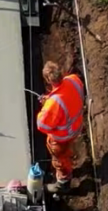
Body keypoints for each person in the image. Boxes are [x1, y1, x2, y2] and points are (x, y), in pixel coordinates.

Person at [35, 61, 86, 194]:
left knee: (60, 159)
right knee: (67, 151)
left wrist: (45, 107)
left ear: (47, 80)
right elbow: (68, 98)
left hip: (62, 137)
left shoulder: (53, 104)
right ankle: (69, 160)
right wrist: (50, 100)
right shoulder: (73, 80)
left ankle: (63, 183)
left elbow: (42, 125)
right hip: (77, 126)